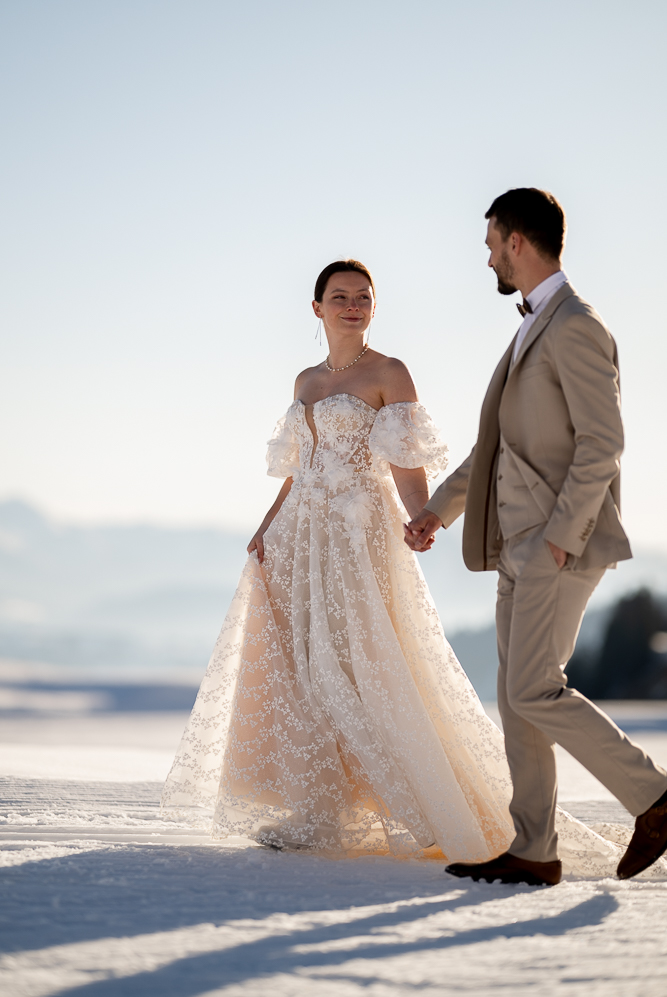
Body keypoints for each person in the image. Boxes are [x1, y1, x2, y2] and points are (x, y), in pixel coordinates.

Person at [162, 257, 646, 880]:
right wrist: (266, 527)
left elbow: (406, 461)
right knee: (309, 664)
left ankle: (438, 806)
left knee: (360, 663)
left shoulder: (388, 372)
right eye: (339, 297)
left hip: (360, 536)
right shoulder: (304, 381)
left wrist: (423, 517)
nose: (352, 305)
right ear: (316, 309)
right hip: (303, 537)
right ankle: (323, 807)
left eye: (363, 296)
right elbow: (298, 468)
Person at [405, 188, 667, 885]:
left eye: (491, 241)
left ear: (516, 241)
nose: (487, 255)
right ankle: (533, 848)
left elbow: (603, 443)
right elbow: (493, 449)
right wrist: (438, 508)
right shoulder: (530, 326)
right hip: (516, 545)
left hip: (556, 543)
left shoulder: (577, 324)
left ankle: (654, 796)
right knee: (515, 695)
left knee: (534, 691)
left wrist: (561, 535)